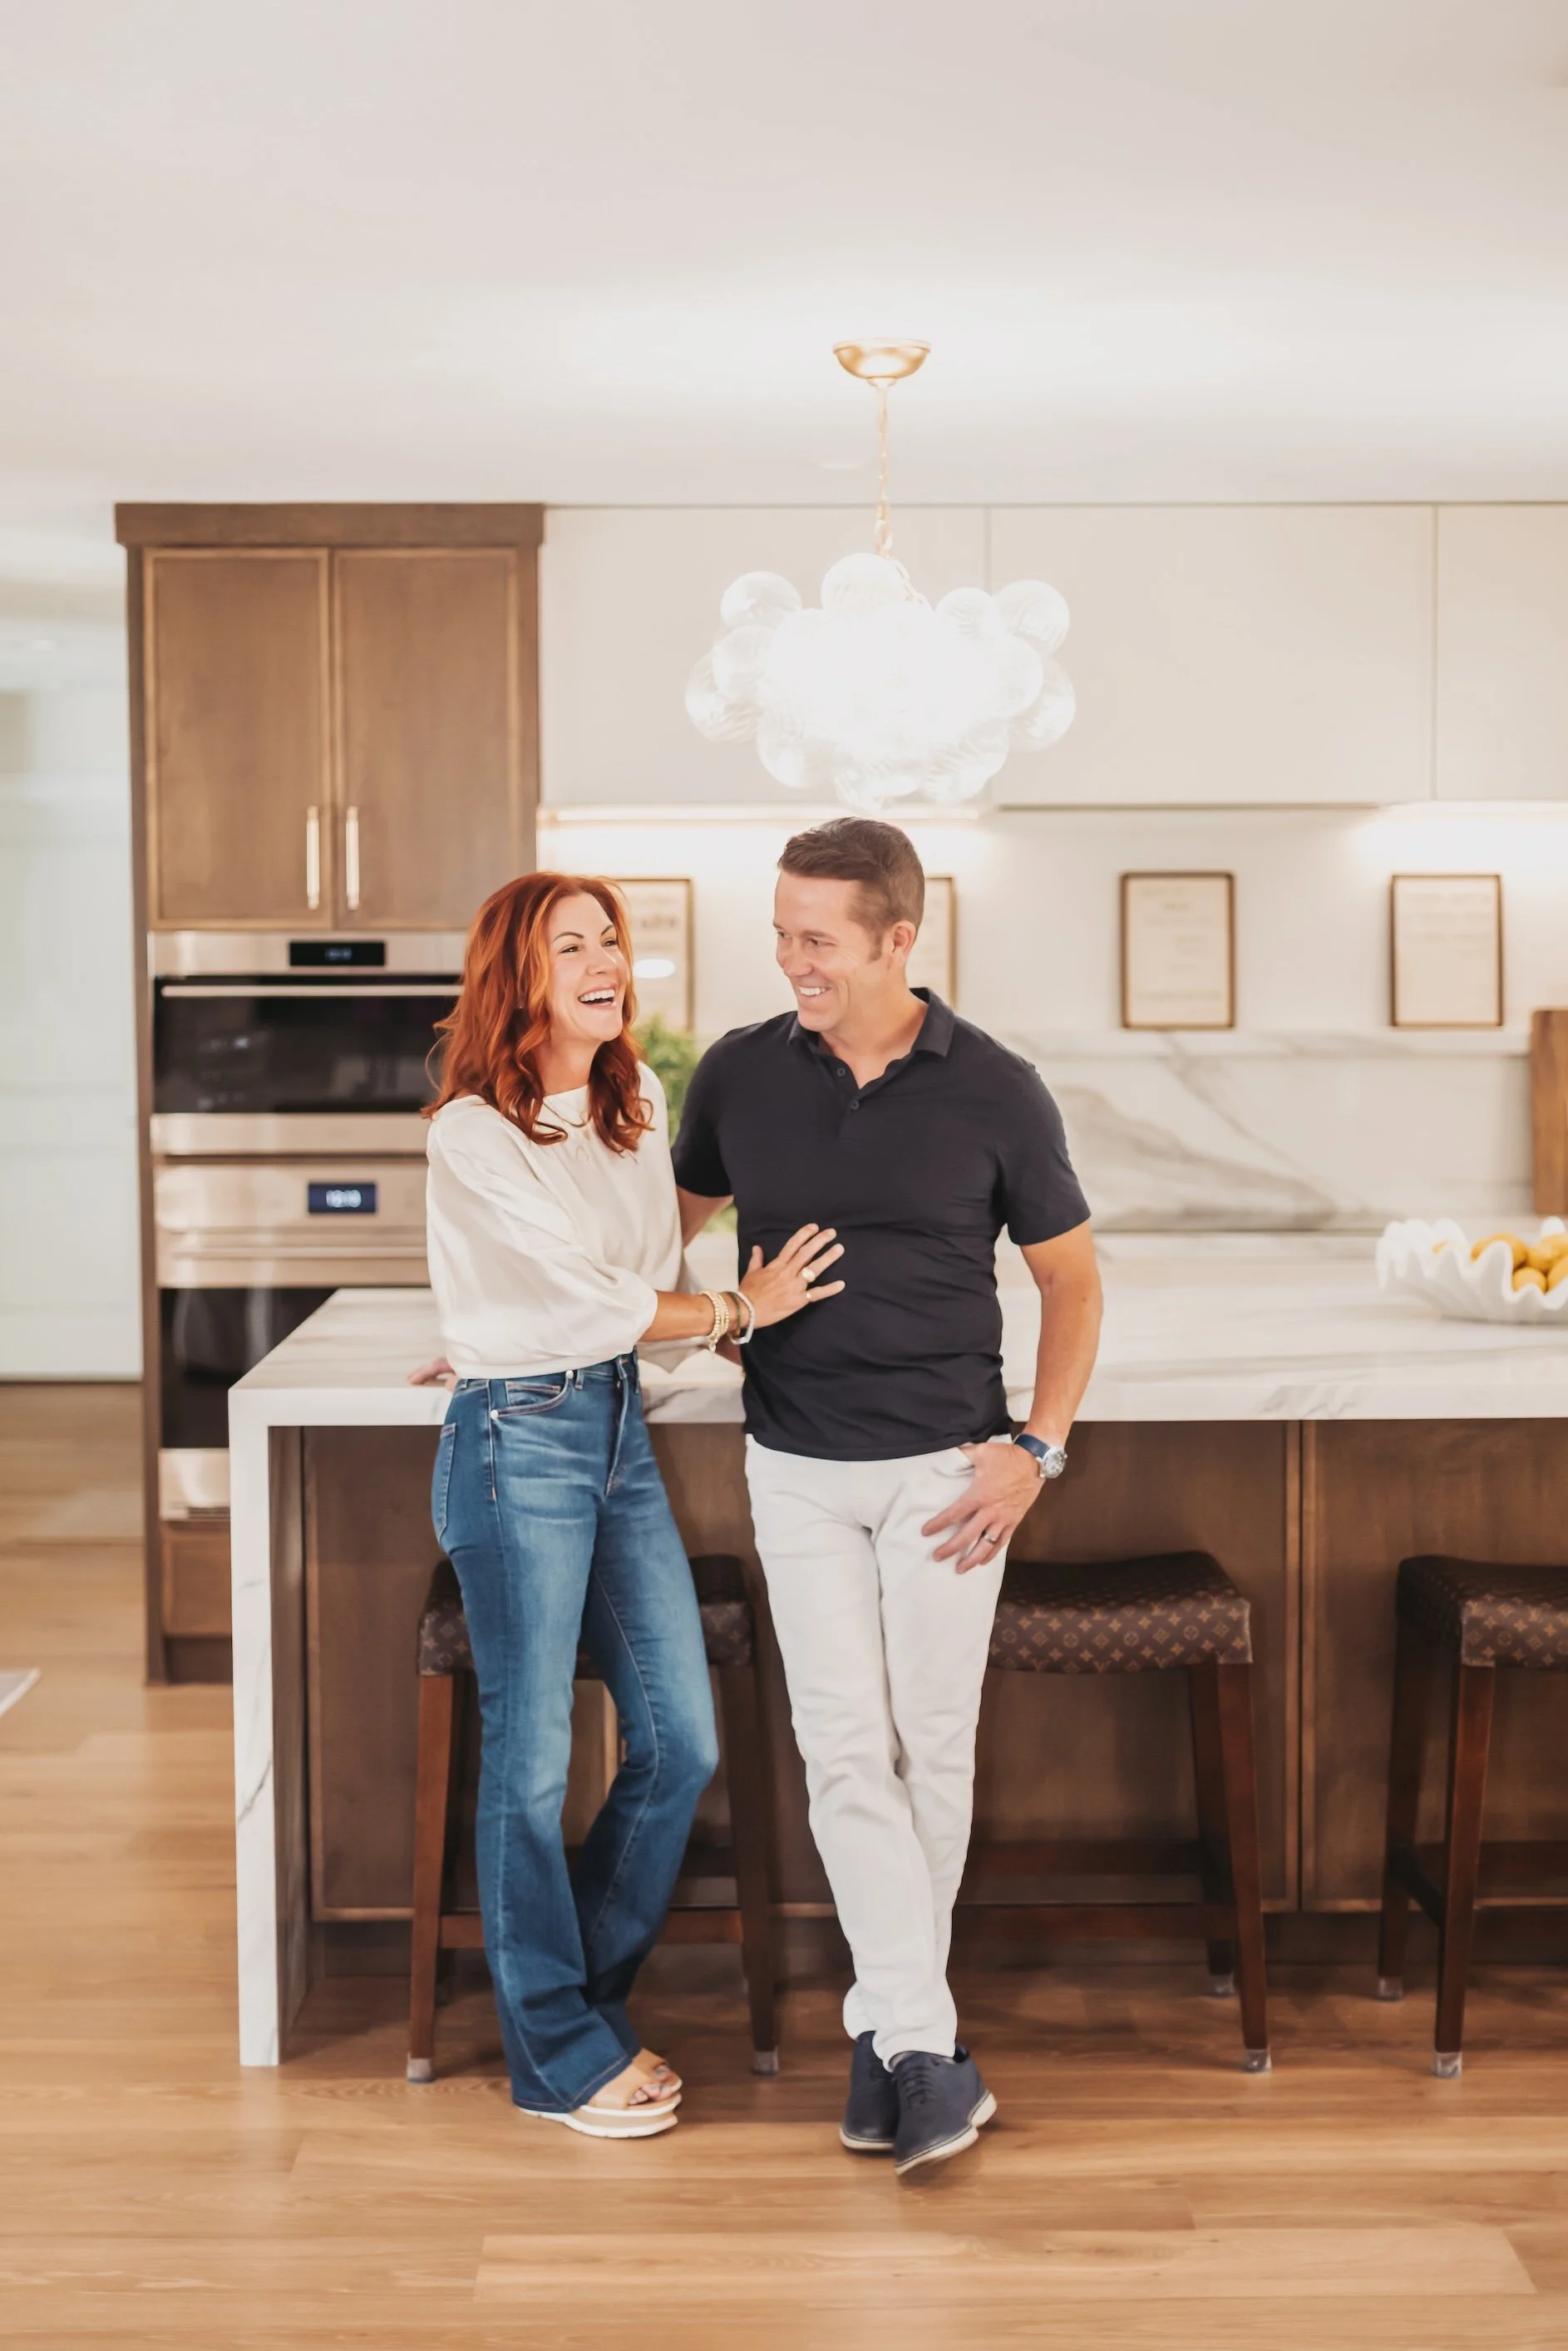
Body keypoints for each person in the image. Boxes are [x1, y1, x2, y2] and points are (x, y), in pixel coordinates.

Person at [673, 817, 1102, 2177]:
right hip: (794, 1467)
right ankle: (921, 2048)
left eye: (818, 939)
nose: (791, 959)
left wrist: (1032, 1449)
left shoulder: (996, 1089)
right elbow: (657, 1234)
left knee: (930, 1745)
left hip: (944, 1470)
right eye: (781, 933)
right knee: (844, 1749)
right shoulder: (741, 1073)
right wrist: (555, 1319)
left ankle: (888, 2036)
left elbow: (1071, 1283)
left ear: (896, 939)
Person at [413, 870, 845, 2141]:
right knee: (533, 1763)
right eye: (573, 946)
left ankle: (570, 2016)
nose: (606, 962)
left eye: (614, 941)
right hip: (517, 1448)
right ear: (517, 976)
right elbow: (585, 1297)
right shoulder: (470, 1132)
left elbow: (628, 1282)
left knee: (681, 1743)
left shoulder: (633, 1098)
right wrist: (737, 1312)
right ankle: (556, 2056)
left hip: (611, 1430)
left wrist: (533, 1320)